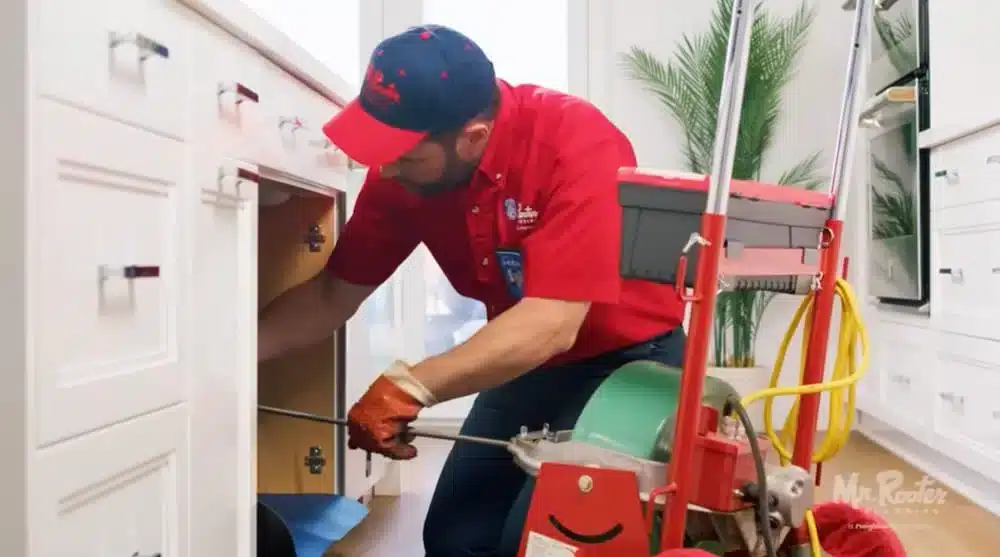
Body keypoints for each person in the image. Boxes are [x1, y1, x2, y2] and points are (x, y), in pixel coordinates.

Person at [257, 24, 687, 557]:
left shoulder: (574, 142)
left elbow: (553, 321)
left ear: (474, 137)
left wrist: (409, 388)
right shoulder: (405, 175)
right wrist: (233, 354)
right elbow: (330, 296)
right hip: (532, 363)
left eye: (405, 156)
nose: (385, 169)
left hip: (629, 364)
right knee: (456, 540)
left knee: (547, 542)